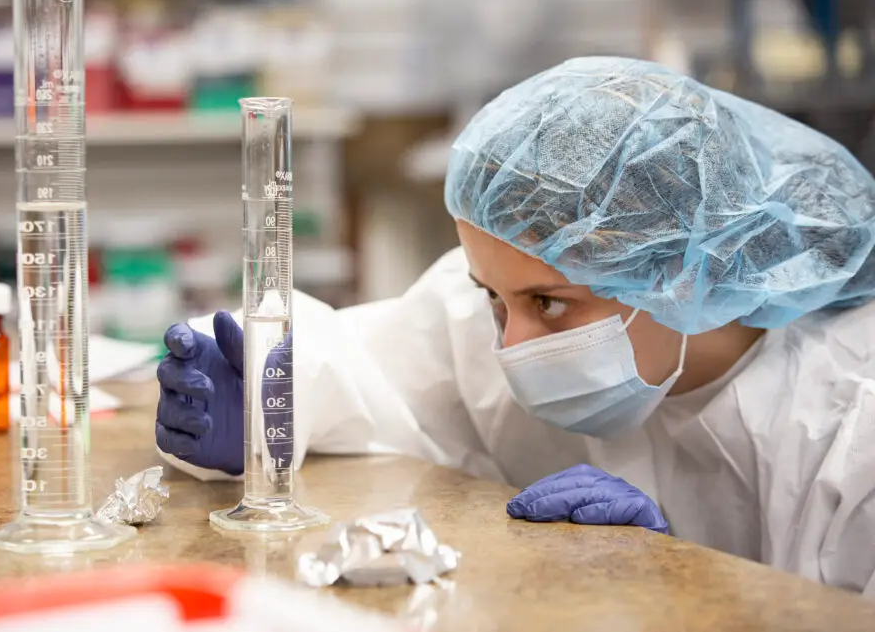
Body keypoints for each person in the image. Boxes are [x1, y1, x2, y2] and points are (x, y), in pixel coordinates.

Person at [155, 56, 875, 597]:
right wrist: (267, 393)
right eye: (493, 298)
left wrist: (697, 588)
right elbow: (373, 367)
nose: (510, 344)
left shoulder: (849, 425)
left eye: (550, 304)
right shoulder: (501, 301)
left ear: (687, 273)